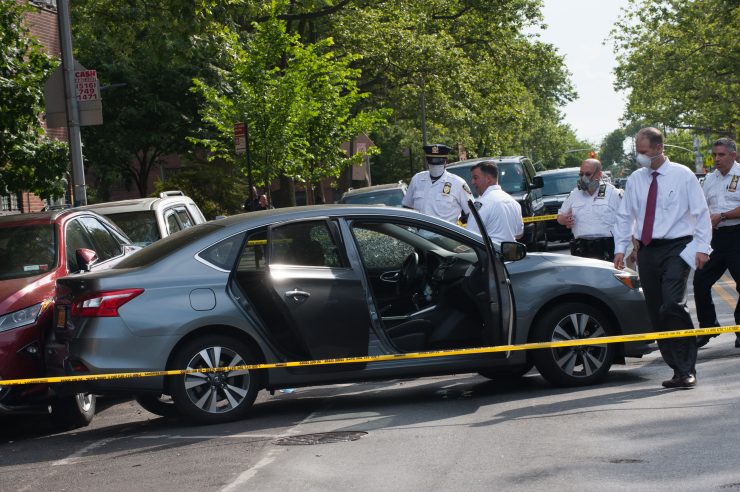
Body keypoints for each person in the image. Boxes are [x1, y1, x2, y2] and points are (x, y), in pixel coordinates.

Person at [613, 127, 712, 389]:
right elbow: (626, 216)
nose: (639, 157)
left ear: (658, 148)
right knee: (657, 311)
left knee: (673, 304)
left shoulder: (682, 175)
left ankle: (687, 367)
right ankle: (677, 369)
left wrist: (703, 247)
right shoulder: (636, 179)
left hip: (677, 248)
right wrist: (621, 248)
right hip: (647, 250)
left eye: (643, 152)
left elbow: (701, 212)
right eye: (637, 151)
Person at [693, 137, 740, 348]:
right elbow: (702, 209)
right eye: (714, 155)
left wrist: (723, 215)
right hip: (716, 238)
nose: (717, 159)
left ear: (733, 155)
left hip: (737, 234)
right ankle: (708, 325)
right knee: (700, 281)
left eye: (721, 155)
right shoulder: (710, 179)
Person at [557, 158, 622, 261]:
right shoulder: (575, 194)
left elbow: (627, 220)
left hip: (606, 247)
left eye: (587, 174)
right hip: (581, 248)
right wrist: (563, 219)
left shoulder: (612, 193)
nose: (583, 178)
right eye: (581, 174)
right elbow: (560, 216)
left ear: (599, 174)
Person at [402, 143, 473, 224]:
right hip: (418, 234)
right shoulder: (417, 179)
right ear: (427, 161)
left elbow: (472, 213)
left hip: (445, 235)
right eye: (431, 160)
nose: (434, 164)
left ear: (446, 161)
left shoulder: (458, 183)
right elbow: (407, 207)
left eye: (439, 161)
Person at [466, 160, 524, 243]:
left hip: (489, 254)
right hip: (510, 253)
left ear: (488, 179)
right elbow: (519, 234)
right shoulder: (514, 203)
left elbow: (470, 236)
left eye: (476, 178)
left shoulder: (482, 203)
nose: (472, 182)